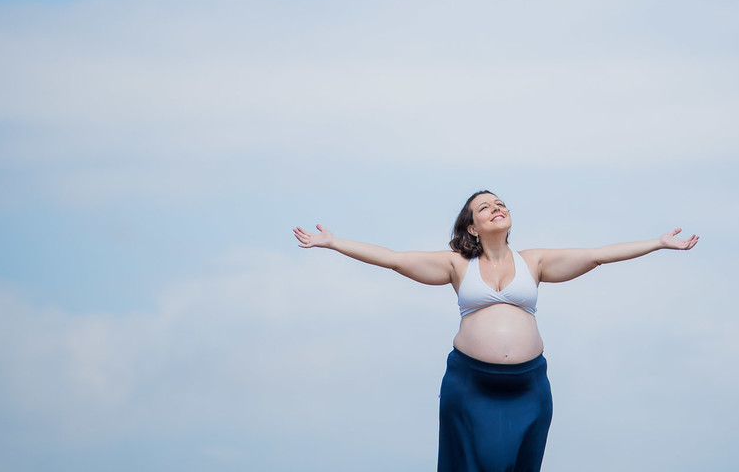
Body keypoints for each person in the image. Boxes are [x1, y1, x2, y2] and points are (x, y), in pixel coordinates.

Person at [293, 189, 699, 472]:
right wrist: (334, 243)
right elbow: (394, 260)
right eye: (484, 207)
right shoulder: (456, 265)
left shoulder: (534, 261)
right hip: (470, 385)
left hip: (527, 387)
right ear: (471, 226)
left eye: (500, 203)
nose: (496, 208)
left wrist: (658, 243)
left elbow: (597, 256)